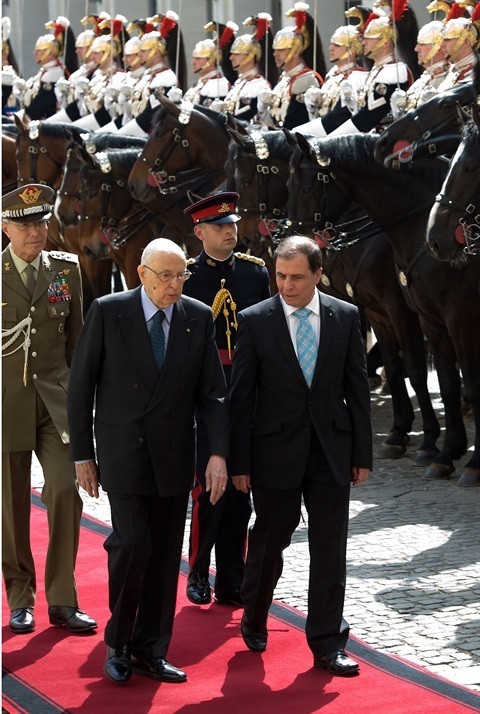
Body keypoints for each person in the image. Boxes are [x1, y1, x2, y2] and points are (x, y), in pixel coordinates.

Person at [66, 238, 229, 685]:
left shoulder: (198, 316)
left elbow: (213, 394)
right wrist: (82, 454)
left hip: (174, 455)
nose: (174, 285)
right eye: (165, 276)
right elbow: (80, 387)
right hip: (123, 452)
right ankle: (118, 644)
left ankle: (151, 649)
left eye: (181, 275)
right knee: (133, 542)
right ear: (142, 274)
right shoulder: (109, 311)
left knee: (163, 556)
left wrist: (217, 453)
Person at [229, 235, 372, 676]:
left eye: (296, 277)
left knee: (330, 549)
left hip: (331, 451)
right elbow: (240, 399)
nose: (286, 286)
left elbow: (357, 389)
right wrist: (239, 463)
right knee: (270, 541)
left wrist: (362, 453)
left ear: (318, 275)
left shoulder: (345, 316)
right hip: (274, 454)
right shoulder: (256, 320)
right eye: (280, 276)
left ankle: (328, 641)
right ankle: (254, 615)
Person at [2, 184, 97, 636]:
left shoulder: (65, 269)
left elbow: (78, 344)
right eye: (24, 225)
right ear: (5, 228)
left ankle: (62, 598)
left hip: (56, 405)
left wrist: (84, 406)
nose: (35, 232)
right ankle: (21, 597)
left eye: (40, 222)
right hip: (7, 405)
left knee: (64, 489)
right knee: (10, 505)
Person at [182, 192, 270, 608]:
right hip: (205, 389)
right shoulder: (186, 276)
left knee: (240, 489)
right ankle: (199, 570)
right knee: (207, 487)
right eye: (219, 227)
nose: (229, 232)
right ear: (200, 233)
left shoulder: (255, 272)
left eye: (232, 225)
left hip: (246, 388)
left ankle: (233, 578)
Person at [257, 2, 325, 129]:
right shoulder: (284, 78)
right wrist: (263, 111)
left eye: (281, 50)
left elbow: (296, 121)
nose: (275, 54)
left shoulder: (305, 80)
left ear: (296, 51)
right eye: (275, 49)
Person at [294, 24, 367, 135]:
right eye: (332, 44)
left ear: (351, 50)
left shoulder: (358, 77)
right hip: (323, 132)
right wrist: (312, 107)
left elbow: (343, 117)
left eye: (337, 45)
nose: (330, 48)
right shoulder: (332, 75)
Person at [219, 14, 275, 124]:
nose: (231, 58)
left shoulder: (259, 85)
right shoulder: (239, 83)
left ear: (251, 55)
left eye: (237, 54)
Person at [436, 4, 480, 93]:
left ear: (466, 42)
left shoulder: (475, 72)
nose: (441, 45)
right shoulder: (452, 70)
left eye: (447, 40)